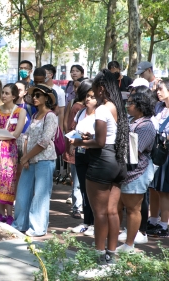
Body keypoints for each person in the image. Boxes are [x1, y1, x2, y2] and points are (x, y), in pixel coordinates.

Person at [70, 69, 129, 265]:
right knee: (112, 212)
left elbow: (101, 142)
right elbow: (109, 138)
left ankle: (98, 255)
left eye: (95, 91)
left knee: (100, 213)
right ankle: (111, 255)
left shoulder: (103, 109)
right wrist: (92, 138)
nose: (93, 95)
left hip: (101, 162)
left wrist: (81, 143)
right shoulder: (118, 106)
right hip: (118, 161)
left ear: (102, 89)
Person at [12, 84, 58, 236]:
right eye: (34, 95)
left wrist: (26, 156)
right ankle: (20, 223)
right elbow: (27, 137)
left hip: (44, 160)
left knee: (40, 195)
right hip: (29, 160)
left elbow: (44, 142)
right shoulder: (34, 115)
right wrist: (25, 157)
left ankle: (37, 228)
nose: (35, 98)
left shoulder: (50, 116)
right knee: (22, 193)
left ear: (47, 98)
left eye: (38, 95)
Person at [116, 92, 155, 253]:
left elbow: (134, 151)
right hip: (124, 171)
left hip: (136, 172)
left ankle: (129, 244)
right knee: (118, 206)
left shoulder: (146, 126)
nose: (127, 105)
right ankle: (119, 238)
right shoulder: (131, 121)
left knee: (133, 208)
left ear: (141, 106)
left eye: (131, 102)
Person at [0, 83, 26, 225]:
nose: (4, 95)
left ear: (14, 96)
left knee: (8, 182)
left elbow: (16, 133)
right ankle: (1, 214)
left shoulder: (20, 111)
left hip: (9, 151)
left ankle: (10, 214)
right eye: (3, 93)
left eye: (7, 93)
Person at [71, 80, 96, 236]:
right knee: (84, 189)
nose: (88, 99)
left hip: (93, 155)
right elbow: (74, 129)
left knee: (93, 191)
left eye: (92, 97)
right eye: (87, 96)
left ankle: (94, 223)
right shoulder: (80, 112)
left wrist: (88, 139)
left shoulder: (101, 114)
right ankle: (86, 222)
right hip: (79, 154)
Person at [148, 78, 169, 237]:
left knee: (164, 190)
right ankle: (153, 219)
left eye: (161, 89)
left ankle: (164, 224)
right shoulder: (158, 107)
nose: (158, 92)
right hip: (156, 150)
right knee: (153, 188)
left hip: (166, 153)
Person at [63, 80, 86, 219]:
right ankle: (77, 206)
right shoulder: (77, 106)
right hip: (77, 147)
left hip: (89, 147)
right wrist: (73, 144)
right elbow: (71, 127)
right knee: (77, 180)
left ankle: (83, 205)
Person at [42, 64, 65, 132]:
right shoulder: (39, 90)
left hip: (53, 127)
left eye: (44, 73)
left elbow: (61, 112)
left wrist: (60, 130)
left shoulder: (60, 91)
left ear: (51, 75)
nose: (42, 76)